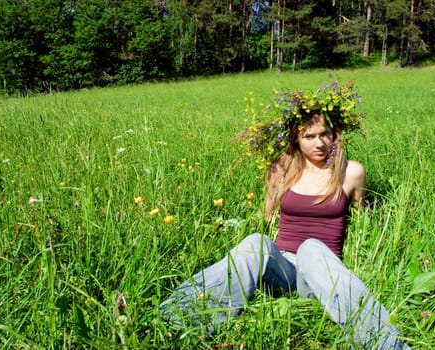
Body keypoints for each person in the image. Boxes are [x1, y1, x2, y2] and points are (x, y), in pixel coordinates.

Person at [159, 82, 410, 349]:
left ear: (335, 135)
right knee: (255, 241)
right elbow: (265, 218)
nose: (319, 143)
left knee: (311, 247)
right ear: (296, 139)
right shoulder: (281, 170)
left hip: (320, 270)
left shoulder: (351, 172)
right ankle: (176, 316)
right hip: (283, 270)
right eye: (309, 136)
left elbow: (362, 217)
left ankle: (386, 343)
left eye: (325, 134)